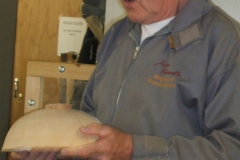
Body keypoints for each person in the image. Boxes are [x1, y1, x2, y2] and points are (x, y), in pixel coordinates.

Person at [12, 0, 240, 159]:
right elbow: (90, 119)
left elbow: (233, 147)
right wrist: (59, 148)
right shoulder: (118, 33)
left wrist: (135, 150)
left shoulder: (225, 41)